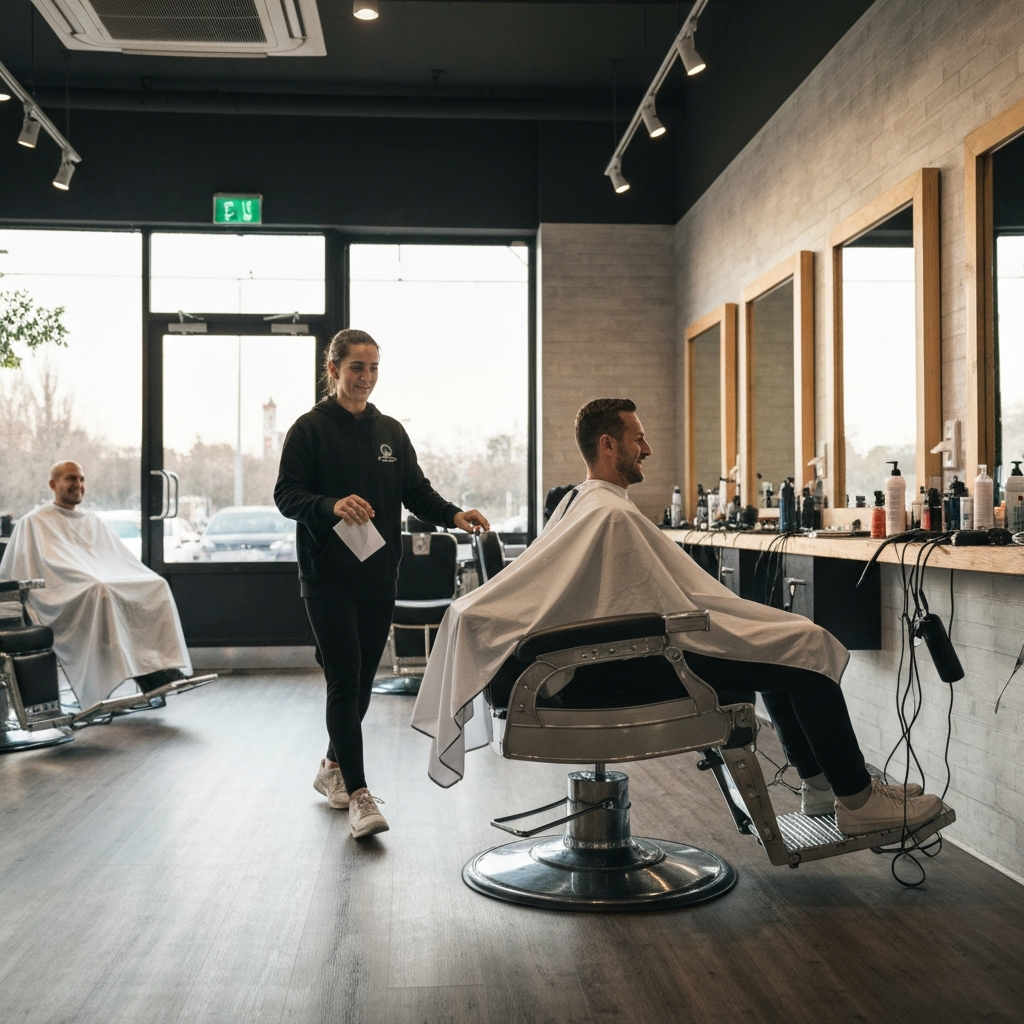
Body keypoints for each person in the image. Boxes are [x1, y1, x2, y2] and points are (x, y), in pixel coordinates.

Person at [412, 398, 944, 837]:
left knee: (779, 644)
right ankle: (857, 800)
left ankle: (822, 787)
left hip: (586, 664)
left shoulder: (582, 503)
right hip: (617, 665)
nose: (647, 448)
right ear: (608, 445)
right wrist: (745, 627)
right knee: (797, 648)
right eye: (637, 438)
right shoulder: (610, 513)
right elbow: (652, 606)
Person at [274, 328, 490, 840]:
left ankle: (332, 764)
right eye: (356, 368)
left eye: (373, 368)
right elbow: (287, 496)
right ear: (333, 371)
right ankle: (360, 794)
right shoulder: (308, 429)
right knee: (344, 679)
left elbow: (415, 491)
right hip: (326, 576)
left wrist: (454, 513)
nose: (366, 378)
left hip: (378, 573)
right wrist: (330, 506)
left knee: (361, 683)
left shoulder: (391, 430)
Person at [0, 461, 192, 711]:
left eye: (81, 479)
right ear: (52, 484)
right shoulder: (34, 521)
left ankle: (160, 668)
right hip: (55, 595)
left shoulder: (91, 520)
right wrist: (83, 578)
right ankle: (147, 676)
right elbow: (30, 568)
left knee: (156, 585)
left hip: (90, 587)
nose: (78, 485)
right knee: (101, 589)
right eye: (71, 479)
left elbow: (113, 558)